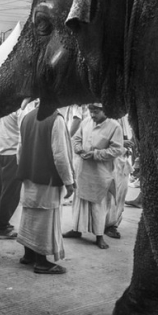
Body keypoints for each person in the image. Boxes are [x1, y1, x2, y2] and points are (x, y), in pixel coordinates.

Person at [16, 100, 75, 274]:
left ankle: (28, 255)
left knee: (29, 215)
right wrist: (69, 182)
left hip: (29, 176)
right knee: (45, 220)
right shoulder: (55, 119)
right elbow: (60, 155)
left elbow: (20, 149)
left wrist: (25, 169)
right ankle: (41, 262)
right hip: (46, 179)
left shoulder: (27, 117)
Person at [65, 103, 124, 250]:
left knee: (99, 205)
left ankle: (99, 236)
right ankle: (76, 229)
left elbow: (117, 150)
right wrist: (78, 148)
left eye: (96, 112)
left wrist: (96, 154)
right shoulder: (85, 122)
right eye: (91, 111)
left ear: (105, 111)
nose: (92, 115)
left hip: (100, 172)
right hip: (83, 170)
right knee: (79, 201)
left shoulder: (114, 126)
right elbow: (76, 138)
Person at [0, 107, 24, 240]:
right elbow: (23, 136)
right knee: (10, 193)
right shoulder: (20, 109)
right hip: (13, 154)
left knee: (2, 190)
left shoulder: (3, 107)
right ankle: (2, 228)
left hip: (2, 152)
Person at [103, 117, 133, 239]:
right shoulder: (104, 117)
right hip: (111, 160)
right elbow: (99, 138)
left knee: (121, 192)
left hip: (123, 159)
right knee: (111, 194)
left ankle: (113, 223)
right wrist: (121, 142)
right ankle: (108, 225)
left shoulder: (124, 117)